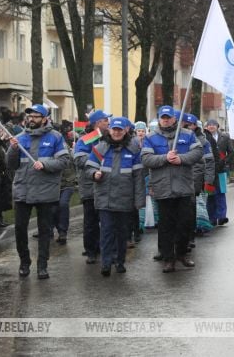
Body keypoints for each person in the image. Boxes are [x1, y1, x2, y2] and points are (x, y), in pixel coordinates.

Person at [5, 105, 70, 279]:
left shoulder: (55, 138)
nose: (31, 119)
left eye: (35, 116)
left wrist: (45, 164)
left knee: (44, 231)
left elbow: (64, 161)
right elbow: (11, 165)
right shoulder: (19, 138)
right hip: (23, 191)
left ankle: (42, 265)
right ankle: (24, 262)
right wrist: (13, 149)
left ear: (45, 118)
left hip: (45, 192)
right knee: (19, 229)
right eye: (30, 116)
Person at [142, 106, 202, 273]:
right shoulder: (151, 138)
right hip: (163, 188)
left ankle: (182, 254)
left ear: (175, 119)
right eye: (163, 117)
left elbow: (198, 152)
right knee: (166, 225)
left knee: (184, 224)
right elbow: (146, 159)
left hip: (183, 187)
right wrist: (165, 158)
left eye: (168, 117)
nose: (166, 120)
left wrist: (181, 159)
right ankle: (168, 258)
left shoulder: (188, 135)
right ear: (159, 118)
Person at [87, 118, 145, 276]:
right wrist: (94, 174)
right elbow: (89, 167)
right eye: (114, 129)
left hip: (125, 200)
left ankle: (119, 261)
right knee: (106, 232)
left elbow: (139, 177)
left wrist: (139, 200)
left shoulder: (133, 150)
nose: (117, 132)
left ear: (125, 130)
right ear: (109, 130)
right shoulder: (100, 148)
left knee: (122, 233)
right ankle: (106, 263)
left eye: (120, 129)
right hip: (104, 199)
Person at [74, 109, 110, 264]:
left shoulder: (110, 137)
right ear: (97, 123)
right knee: (91, 221)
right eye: (105, 120)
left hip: (107, 185)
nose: (108, 123)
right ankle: (91, 251)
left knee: (107, 220)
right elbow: (79, 160)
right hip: (90, 186)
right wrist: (98, 162)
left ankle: (105, 247)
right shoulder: (87, 139)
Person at [204, 119, 232, 225]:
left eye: (213, 125)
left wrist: (223, 161)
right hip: (209, 171)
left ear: (217, 126)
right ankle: (211, 217)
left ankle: (221, 216)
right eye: (209, 125)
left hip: (221, 170)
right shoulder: (204, 137)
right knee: (210, 194)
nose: (211, 126)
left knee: (221, 193)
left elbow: (230, 152)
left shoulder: (225, 137)